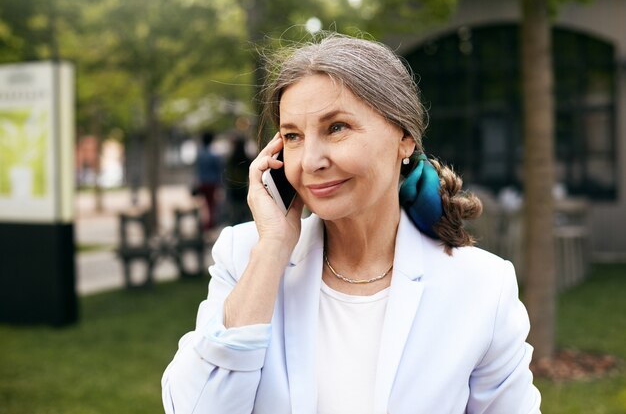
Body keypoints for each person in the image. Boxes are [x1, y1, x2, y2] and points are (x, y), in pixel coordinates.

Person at [162, 33, 541, 414]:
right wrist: (273, 249)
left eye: (337, 127)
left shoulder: (482, 286)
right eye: (292, 136)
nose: (310, 160)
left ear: (404, 138)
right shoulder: (246, 256)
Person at [194, 130, 224, 230]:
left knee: (202, 204)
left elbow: (196, 169)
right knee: (211, 205)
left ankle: (203, 224)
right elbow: (219, 170)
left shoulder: (199, 154)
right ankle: (210, 225)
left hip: (202, 182)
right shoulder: (214, 156)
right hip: (212, 183)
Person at [224, 135, 253, 224]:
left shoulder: (230, 159)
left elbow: (227, 173)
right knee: (244, 208)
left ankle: (235, 223)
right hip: (243, 186)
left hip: (232, 187)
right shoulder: (247, 159)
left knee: (234, 209)